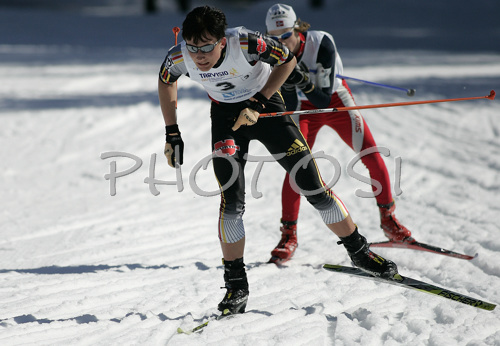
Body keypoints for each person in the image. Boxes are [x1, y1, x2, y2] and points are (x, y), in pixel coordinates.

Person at [158, 5, 398, 315]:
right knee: (231, 203)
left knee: (313, 187)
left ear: (222, 41)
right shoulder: (179, 55)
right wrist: (172, 133)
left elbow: (287, 61)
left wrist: (258, 102)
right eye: (193, 47)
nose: (199, 55)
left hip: (267, 107)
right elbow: (166, 81)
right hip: (227, 117)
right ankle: (236, 285)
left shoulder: (244, 42)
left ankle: (360, 253)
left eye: (206, 46)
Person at [265, 4, 413, 264]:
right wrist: (291, 83)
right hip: (303, 108)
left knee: (370, 154)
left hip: (335, 100)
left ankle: (389, 221)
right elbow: (288, 105)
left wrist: (299, 79)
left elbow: (322, 97)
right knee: (296, 167)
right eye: (274, 39)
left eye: (286, 35)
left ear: (297, 29)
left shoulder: (321, 42)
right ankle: (288, 235)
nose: (282, 44)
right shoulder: (272, 53)